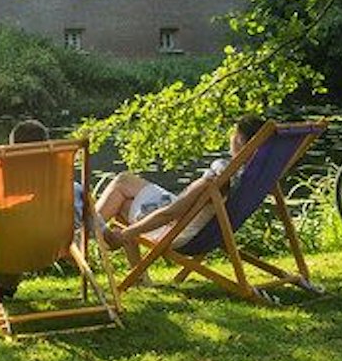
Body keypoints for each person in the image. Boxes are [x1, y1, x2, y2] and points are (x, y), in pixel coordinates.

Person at [94, 116, 264, 280]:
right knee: (124, 194)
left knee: (122, 183)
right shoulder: (248, 175)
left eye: (233, 133)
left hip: (177, 231)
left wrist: (125, 234)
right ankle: (138, 276)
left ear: (239, 139)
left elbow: (169, 215)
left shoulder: (216, 179)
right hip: (195, 228)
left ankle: (87, 229)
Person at [0, 119, 88, 300]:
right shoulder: (67, 186)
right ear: (47, 147)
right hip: (53, 247)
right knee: (20, 233)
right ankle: (5, 283)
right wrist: (106, 234)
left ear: (12, 149)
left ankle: (2, 283)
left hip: (6, 252)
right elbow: (87, 214)